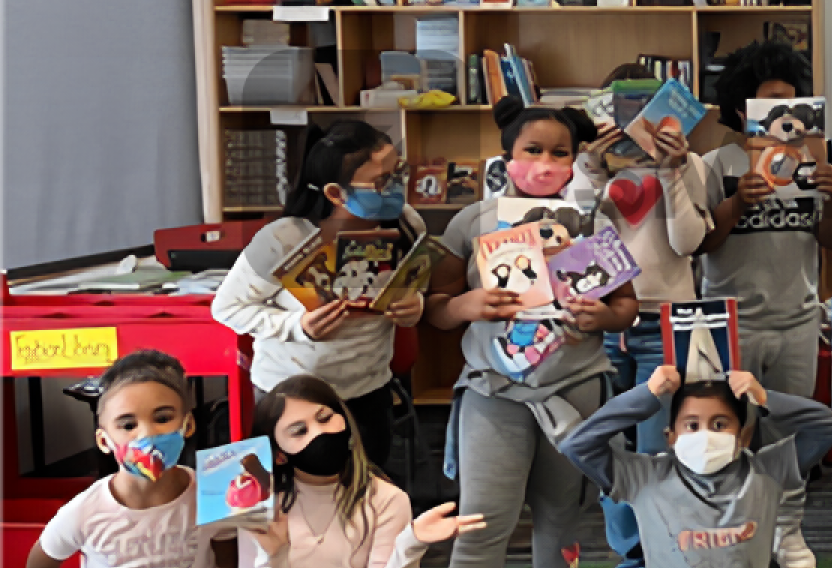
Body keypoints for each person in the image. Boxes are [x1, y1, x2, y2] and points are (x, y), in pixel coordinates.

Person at [428, 98, 640, 568]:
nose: (545, 164)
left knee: (562, 519)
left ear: (575, 159)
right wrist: (467, 305)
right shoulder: (474, 221)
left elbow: (627, 306)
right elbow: (435, 309)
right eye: (532, 150)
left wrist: (601, 317)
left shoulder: (591, 222)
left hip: (575, 389)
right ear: (507, 159)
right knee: (482, 520)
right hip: (494, 390)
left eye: (559, 153)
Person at [212, 120, 428, 469]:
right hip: (292, 393)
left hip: (367, 387)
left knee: (368, 489)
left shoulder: (406, 223)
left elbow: (416, 284)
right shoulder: (282, 238)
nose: (396, 187)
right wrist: (297, 326)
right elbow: (227, 308)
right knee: (299, 491)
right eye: (380, 181)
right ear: (335, 193)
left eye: (397, 172)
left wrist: (413, 305)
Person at [581, 64, 717, 568]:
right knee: (608, 444)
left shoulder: (692, 165)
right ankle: (628, 553)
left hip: (668, 321)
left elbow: (688, 243)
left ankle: (663, 549)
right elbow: (584, 250)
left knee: (658, 444)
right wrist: (595, 178)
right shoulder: (592, 169)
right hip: (608, 320)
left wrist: (671, 174)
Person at [698, 40, 832, 396]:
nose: (785, 113)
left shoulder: (813, 159)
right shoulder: (715, 163)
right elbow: (701, 244)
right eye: (772, 103)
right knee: (732, 426)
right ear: (740, 110)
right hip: (732, 322)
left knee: (788, 429)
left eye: (793, 102)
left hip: (798, 321)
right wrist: (736, 205)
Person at [558, 367, 819, 568]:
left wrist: (765, 397)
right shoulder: (644, 477)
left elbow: (827, 427)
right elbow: (578, 446)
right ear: (671, 437)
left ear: (743, 436)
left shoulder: (766, 471)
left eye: (719, 425)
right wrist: (647, 394)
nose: (705, 436)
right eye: (692, 425)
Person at [240, 375, 483, 567]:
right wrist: (276, 556)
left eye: (325, 418)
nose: (319, 433)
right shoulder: (258, 503)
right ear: (279, 454)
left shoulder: (386, 499)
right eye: (299, 431)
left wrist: (411, 543)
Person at [30, 350, 228, 568]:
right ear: (104, 441)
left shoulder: (212, 496)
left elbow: (229, 558)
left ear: (188, 425)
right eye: (128, 425)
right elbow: (42, 560)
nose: (147, 434)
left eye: (162, 418)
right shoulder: (84, 512)